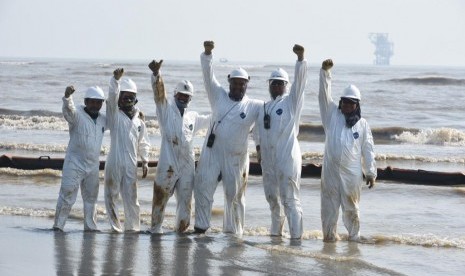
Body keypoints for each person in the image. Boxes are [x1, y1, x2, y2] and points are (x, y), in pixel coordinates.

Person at [193, 41, 262, 235]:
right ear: (229, 82)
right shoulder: (218, 95)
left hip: (236, 158)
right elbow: (208, 75)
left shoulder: (254, 106)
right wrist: (208, 54)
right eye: (235, 83)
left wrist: (261, 147)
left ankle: (233, 234)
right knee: (203, 188)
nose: (238, 86)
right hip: (211, 153)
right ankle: (200, 227)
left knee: (235, 196)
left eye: (242, 83)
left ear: (247, 84)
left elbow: (271, 117)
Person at [148, 59, 210, 234]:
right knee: (159, 200)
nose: (183, 98)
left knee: (185, 202)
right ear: (175, 94)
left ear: (190, 98)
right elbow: (159, 96)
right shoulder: (165, 110)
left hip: (187, 167)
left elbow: (213, 118)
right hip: (167, 164)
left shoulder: (193, 117)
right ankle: (155, 231)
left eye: (186, 96)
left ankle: (181, 233)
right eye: (180, 95)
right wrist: (156, 75)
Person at [318, 59, 377, 242]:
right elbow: (323, 96)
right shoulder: (331, 116)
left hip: (352, 176)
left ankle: (354, 240)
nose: (347, 106)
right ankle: (329, 241)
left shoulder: (363, 124)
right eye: (344, 102)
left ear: (357, 105)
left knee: (352, 210)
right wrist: (326, 73)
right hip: (330, 174)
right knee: (329, 210)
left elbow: (368, 149)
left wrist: (371, 172)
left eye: (351, 103)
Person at [254, 44, 307, 239]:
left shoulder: (291, 103)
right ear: (269, 85)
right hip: (268, 162)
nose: (276, 86)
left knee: (290, 200)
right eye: (273, 83)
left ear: (286, 86)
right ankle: (276, 235)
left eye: (280, 83)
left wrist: (300, 60)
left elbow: (300, 84)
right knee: (272, 200)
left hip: (287, 160)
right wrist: (258, 148)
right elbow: (257, 131)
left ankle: (296, 238)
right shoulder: (264, 107)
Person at [53, 85, 106, 231]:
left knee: (91, 199)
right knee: (67, 196)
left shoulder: (103, 119)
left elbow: (117, 118)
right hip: (74, 163)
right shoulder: (77, 115)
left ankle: (90, 228)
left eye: (99, 102)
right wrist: (67, 97)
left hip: (93, 166)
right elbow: (68, 112)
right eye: (92, 102)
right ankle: (58, 226)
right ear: (86, 101)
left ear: (102, 103)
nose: (95, 105)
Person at [104, 68, 150, 232]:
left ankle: (133, 229)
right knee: (111, 196)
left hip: (131, 164)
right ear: (119, 98)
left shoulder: (139, 121)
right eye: (124, 96)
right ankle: (116, 228)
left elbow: (143, 142)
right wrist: (115, 81)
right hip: (114, 162)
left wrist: (145, 161)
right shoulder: (114, 115)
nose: (128, 99)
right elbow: (111, 98)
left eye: (131, 97)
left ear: (136, 99)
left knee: (132, 199)